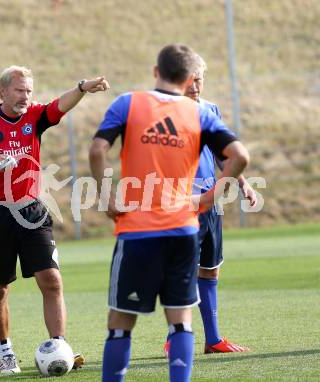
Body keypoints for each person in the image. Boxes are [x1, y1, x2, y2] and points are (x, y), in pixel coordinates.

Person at [89, 44, 250, 382]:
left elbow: (97, 149)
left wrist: (107, 197)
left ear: (156, 72)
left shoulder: (128, 103)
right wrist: (207, 198)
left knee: (121, 322)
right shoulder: (200, 113)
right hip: (183, 228)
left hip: (137, 230)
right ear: (190, 78)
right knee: (180, 320)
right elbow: (239, 157)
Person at [0, 66, 109, 374]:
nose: (25, 97)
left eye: (29, 91)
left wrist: (82, 87)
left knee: (52, 281)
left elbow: (59, 105)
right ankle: (6, 354)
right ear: (3, 91)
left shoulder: (34, 117)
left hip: (33, 211)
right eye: (19, 90)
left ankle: (59, 347)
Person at [163, 54, 256, 357]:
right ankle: (173, 337)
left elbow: (224, 156)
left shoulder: (210, 109)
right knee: (182, 272)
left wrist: (243, 183)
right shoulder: (166, 114)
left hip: (211, 201)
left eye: (199, 79)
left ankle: (213, 339)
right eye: (190, 79)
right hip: (182, 204)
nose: (195, 85)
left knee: (210, 271)